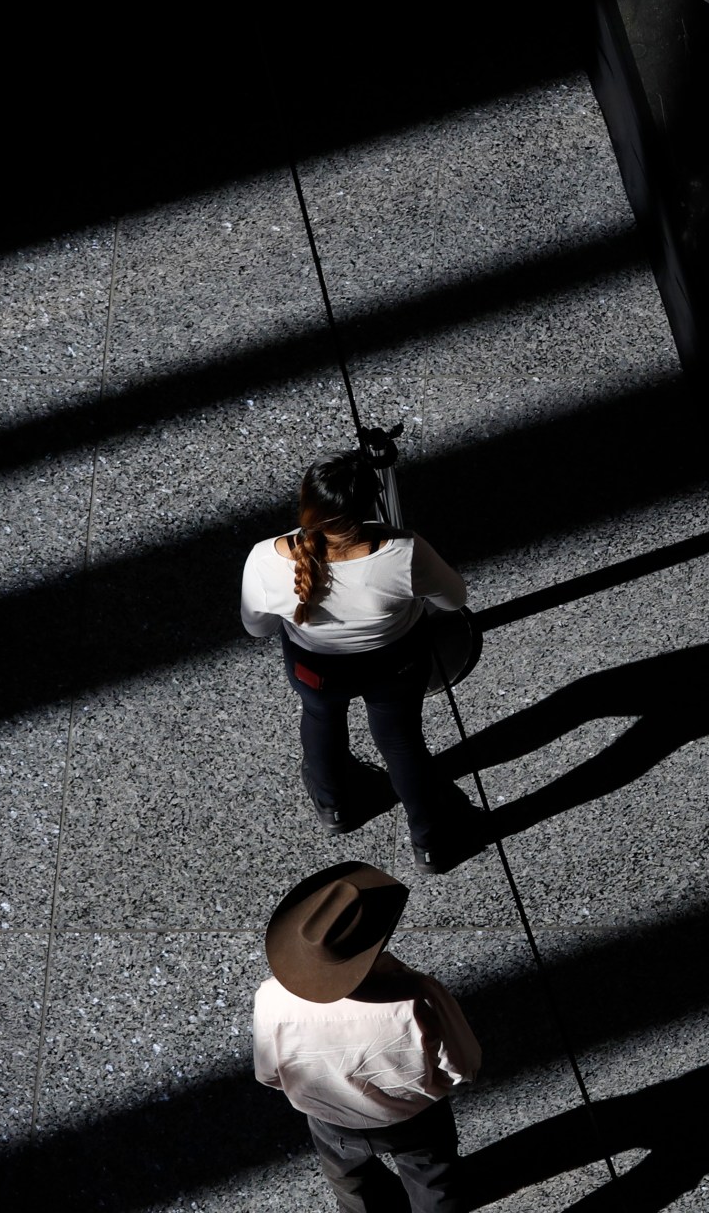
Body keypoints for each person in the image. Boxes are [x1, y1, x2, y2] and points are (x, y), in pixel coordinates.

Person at [241, 453, 478, 874]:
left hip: (315, 668)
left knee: (320, 718)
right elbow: (454, 600)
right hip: (396, 664)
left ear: (306, 503)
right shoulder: (404, 552)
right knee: (402, 744)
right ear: (371, 506)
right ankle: (430, 845)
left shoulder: (265, 558)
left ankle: (334, 808)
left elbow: (256, 629)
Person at [255, 862, 481, 1213]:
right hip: (413, 1117)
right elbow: (462, 1065)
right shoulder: (415, 995)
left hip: (330, 1121)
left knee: (353, 1186)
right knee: (434, 1182)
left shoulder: (270, 997)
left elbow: (268, 1074)